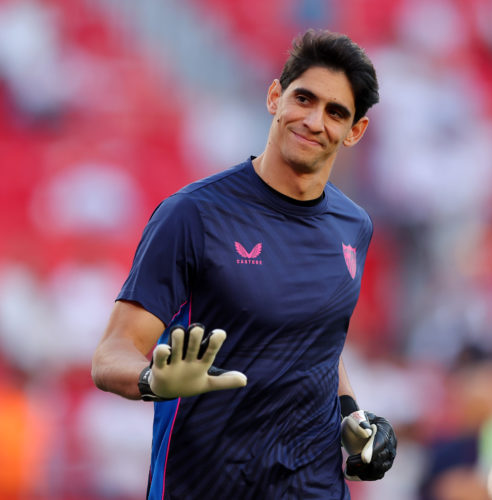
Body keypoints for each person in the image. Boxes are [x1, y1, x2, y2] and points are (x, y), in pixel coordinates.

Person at [92, 29, 397, 499]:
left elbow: (319, 339)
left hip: (312, 485)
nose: (315, 121)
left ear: (354, 131)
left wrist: (354, 415)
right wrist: (155, 381)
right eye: (304, 99)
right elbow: (111, 354)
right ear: (275, 97)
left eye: (335, 112)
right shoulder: (192, 214)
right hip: (204, 485)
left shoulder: (354, 226)